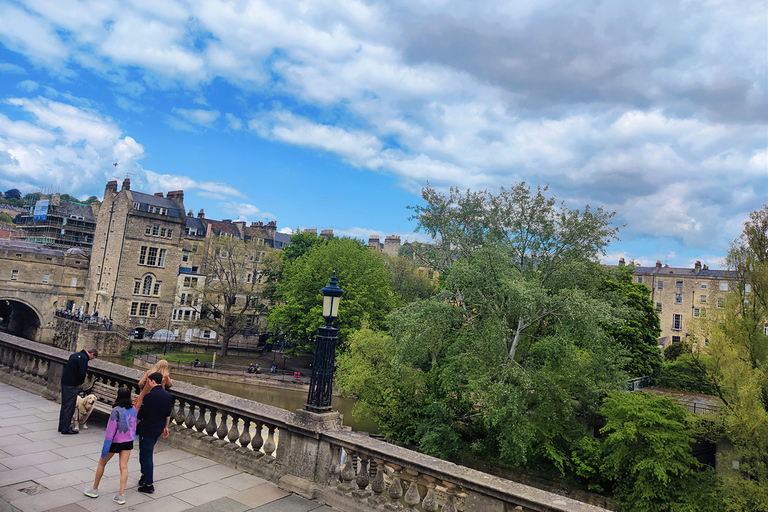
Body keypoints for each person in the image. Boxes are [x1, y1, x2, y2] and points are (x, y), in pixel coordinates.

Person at [84, 387, 137, 505]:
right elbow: (133, 425)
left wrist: (105, 448)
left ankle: (94, 489)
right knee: (124, 467)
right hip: (128, 441)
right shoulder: (133, 409)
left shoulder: (116, 410)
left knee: (101, 463)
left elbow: (110, 431)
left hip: (115, 441)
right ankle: (121, 495)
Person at [136, 372, 173, 494]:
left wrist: (134, 425)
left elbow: (141, 414)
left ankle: (148, 484)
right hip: (158, 427)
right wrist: (165, 427)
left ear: (152, 381)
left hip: (148, 428)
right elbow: (167, 414)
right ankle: (144, 476)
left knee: (146, 456)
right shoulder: (167, 395)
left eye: (149, 381)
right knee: (147, 452)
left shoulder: (149, 396)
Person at [58, 348, 98, 434]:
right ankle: (66, 428)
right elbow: (81, 372)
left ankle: (61, 426)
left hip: (65, 382)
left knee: (65, 405)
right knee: (70, 406)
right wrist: (81, 381)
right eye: (93, 357)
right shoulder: (83, 358)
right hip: (72, 384)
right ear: (91, 354)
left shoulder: (74, 355)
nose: (91, 359)